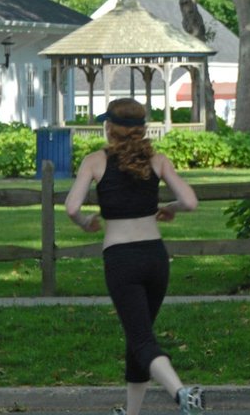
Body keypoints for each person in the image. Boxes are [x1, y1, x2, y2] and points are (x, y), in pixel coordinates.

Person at [65, 98, 205, 415]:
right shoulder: (157, 160)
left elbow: (72, 208)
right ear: (141, 129)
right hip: (155, 258)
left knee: (141, 339)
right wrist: (170, 209)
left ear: (109, 127)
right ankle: (132, 413)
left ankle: (183, 394)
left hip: (121, 259)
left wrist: (86, 223)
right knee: (138, 336)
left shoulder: (94, 162)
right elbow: (190, 201)